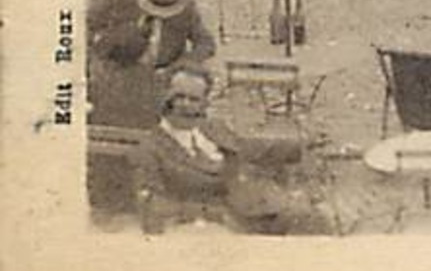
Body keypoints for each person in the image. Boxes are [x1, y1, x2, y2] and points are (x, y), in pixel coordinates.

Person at [135, 69, 328, 234]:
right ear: (166, 99)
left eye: (194, 99)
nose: (185, 104)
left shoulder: (210, 129)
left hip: (253, 208)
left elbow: (248, 147)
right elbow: (153, 204)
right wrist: (213, 216)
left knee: (316, 220)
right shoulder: (153, 146)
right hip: (210, 226)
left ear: (204, 104)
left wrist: (302, 145)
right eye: (179, 97)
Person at [89, 0, 216, 76]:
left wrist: (180, 66)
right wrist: (93, 60)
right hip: (115, 68)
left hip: (161, 74)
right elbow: (87, 24)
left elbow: (206, 44)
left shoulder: (186, 9)